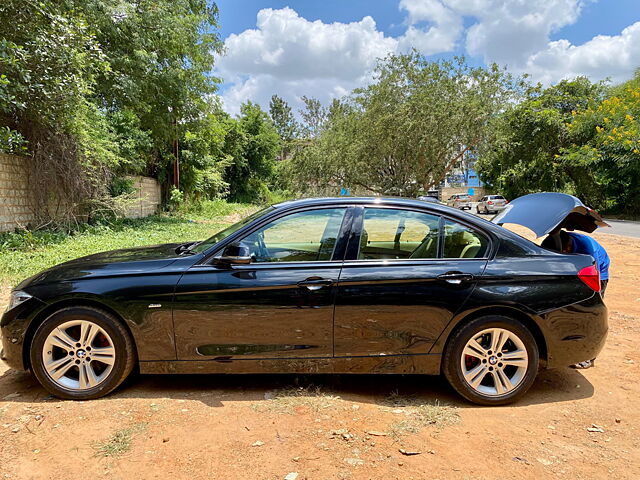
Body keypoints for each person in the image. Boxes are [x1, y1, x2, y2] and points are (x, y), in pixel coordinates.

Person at [542, 229, 610, 369]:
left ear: (568, 248)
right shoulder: (550, 242)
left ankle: (589, 357)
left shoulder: (587, 247)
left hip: (598, 272)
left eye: (564, 252)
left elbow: (593, 273)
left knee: (589, 311)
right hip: (574, 269)